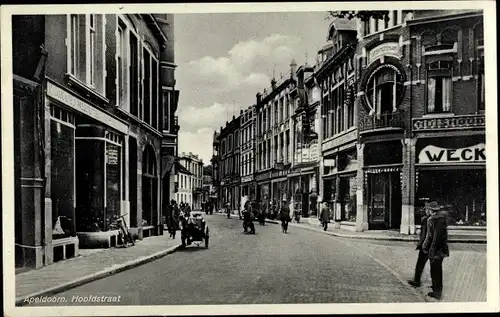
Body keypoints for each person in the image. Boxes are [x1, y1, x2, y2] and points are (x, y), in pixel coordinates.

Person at [422, 201, 450, 300]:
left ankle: (437, 292)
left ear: (431, 210)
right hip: (441, 249)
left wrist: (427, 248)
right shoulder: (441, 219)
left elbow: (431, 237)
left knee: (435, 270)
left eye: (426, 209)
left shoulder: (432, 220)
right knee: (437, 270)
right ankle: (437, 288)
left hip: (435, 250)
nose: (425, 211)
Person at [408, 203, 432, 287]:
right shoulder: (439, 219)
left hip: (426, 245)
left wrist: (420, 244)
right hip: (434, 245)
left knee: (420, 263)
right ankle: (435, 284)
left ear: (429, 210)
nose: (425, 211)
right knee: (434, 265)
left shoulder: (425, 219)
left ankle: (417, 281)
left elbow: (424, 234)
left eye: (426, 210)